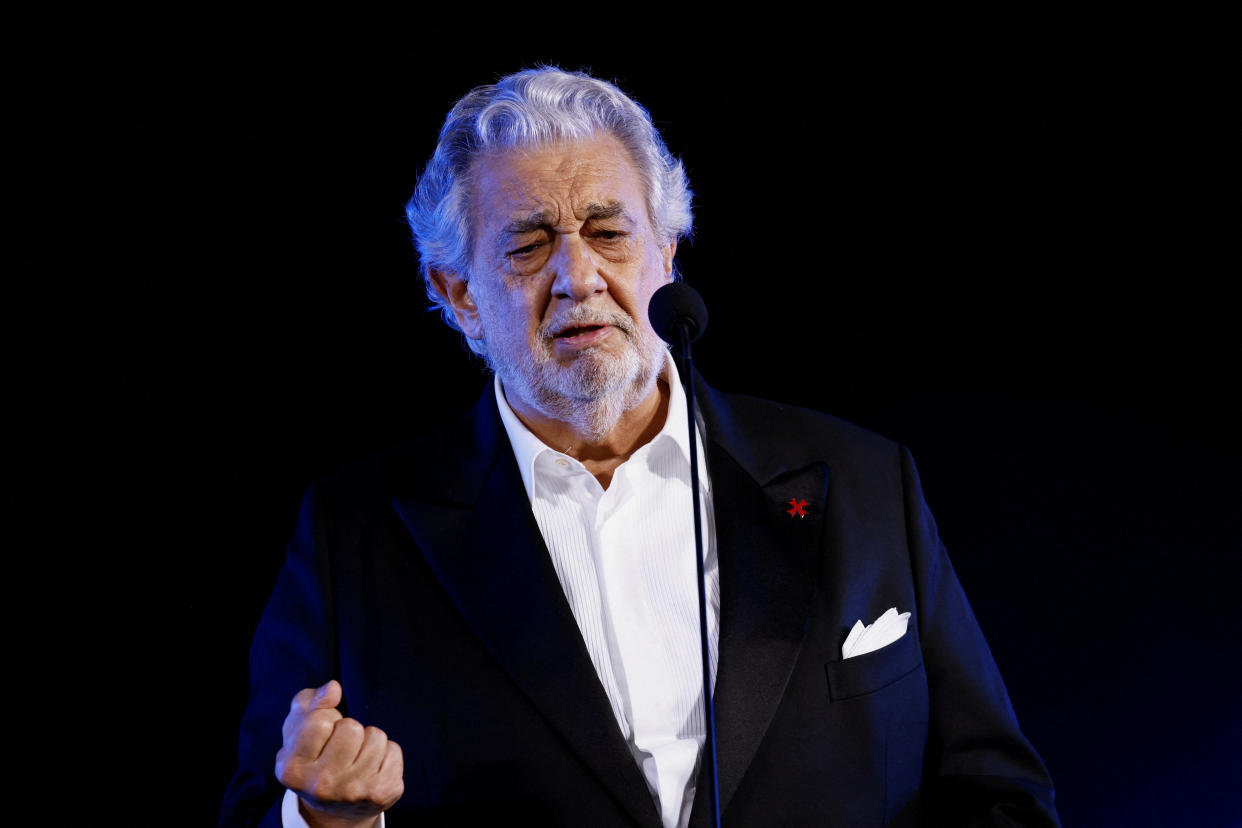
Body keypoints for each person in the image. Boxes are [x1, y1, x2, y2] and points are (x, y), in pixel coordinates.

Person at [221, 67, 1060, 827]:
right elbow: (257, 814)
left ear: (667, 251)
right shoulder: (355, 533)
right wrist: (322, 821)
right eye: (527, 243)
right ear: (459, 294)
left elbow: (1000, 797)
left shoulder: (864, 481)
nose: (577, 276)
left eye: (608, 232)